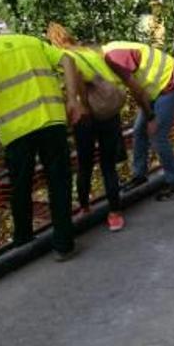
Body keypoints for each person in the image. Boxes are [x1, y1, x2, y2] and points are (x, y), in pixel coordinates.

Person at [0, 18, 86, 261]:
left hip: (17, 131)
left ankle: (24, 240)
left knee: (21, 186)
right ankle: (64, 245)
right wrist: (72, 100)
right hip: (51, 120)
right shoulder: (30, 41)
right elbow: (68, 59)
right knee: (59, 182)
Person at [47, 22, 126, 232]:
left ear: (53, 42)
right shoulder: (90, 52)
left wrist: (82, 104)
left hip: (88, 115)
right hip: (110, 110)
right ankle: (115, 213)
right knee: (108, 165)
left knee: (85, 165)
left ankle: (84, 208)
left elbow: (78, 79)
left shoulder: (64, 57)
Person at [102, 40, 174, 201]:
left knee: (157, 135)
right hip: (154, 88)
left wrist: (151, 117)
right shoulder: (107, 51)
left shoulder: (113, 58)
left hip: (170, 84)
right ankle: (139, 176)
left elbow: (137, 91)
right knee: (139, 130)